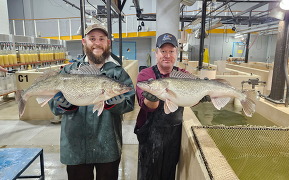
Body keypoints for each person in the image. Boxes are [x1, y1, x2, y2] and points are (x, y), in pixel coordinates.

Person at [49, 24, 135, 180]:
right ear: (84, 42)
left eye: (101, 39)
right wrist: (61, 105)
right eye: (92, 38)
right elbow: (53, 105)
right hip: (76, 148)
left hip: (107, 147)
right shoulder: (69, 71)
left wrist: (116, 104)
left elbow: (130, 102)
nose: (97, 43)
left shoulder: (118, 73)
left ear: (108, 42)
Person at [134, 33, 187, 180]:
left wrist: (203, 96)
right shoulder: (145, 75)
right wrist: (152, 97)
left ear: (176, 53)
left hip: (173, 137)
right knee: (148, 174)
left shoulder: (183, 75)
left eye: (171, 51)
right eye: (163, 51)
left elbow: (191, 100)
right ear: (156, 53)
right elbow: (148, 105)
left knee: (168, 174)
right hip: (149, 137)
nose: (167, 55)